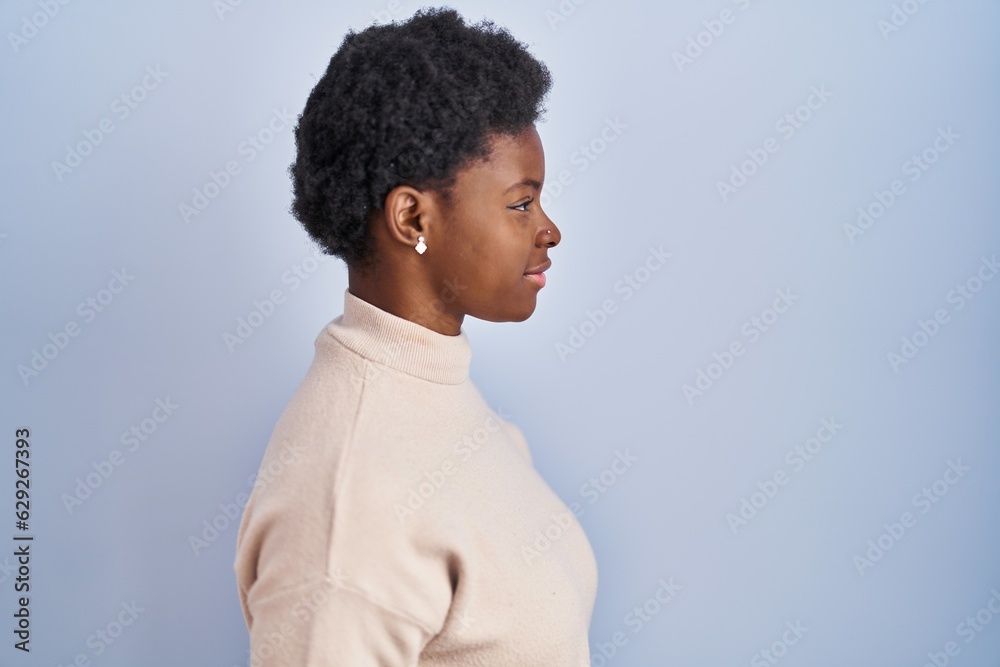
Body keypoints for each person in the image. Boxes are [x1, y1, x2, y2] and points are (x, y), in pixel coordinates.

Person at [233, 7, 598, 665]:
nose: (549, 229)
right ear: (411, 217)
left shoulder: (444, 401)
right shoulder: (347, 500)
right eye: (521, 202)